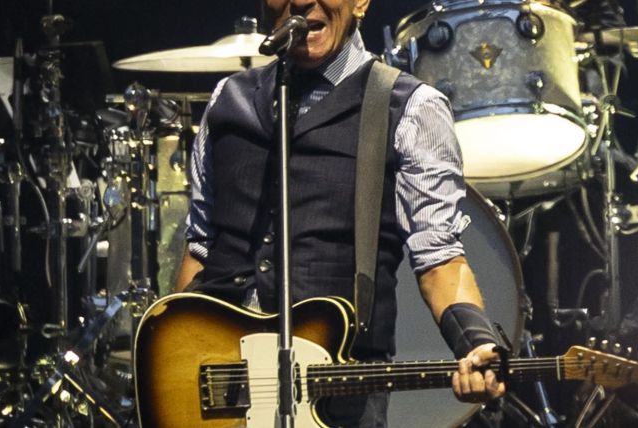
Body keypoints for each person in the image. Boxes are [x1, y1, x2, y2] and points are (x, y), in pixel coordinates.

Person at [175, 0, 504, 425]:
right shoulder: (228, 99)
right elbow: (201, 245)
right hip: (219, 389)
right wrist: (174, 363)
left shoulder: (409, 107)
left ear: (361, 2)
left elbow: (438, 256)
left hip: (337, 393)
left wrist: (475, 341)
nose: (301, 1)